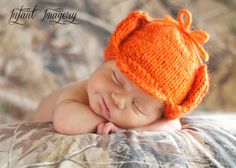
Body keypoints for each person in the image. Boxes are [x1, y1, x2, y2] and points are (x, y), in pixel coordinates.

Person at [33, 9, 210, 135]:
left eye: (137, 106)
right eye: (117, 79)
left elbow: (172, 126)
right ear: (108, 59)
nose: (118, 99)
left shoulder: (158, 114)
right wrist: (111, 127)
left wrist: (134, 130)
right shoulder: (79, 92)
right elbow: (65, 121)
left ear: (158, 116)